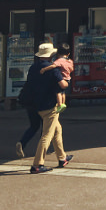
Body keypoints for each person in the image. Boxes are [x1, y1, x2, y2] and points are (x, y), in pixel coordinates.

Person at [26, 42, 74, 174]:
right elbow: (63, 85)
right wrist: (67, 80)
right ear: (50, 55)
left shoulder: (33, 68)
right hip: (50, 105)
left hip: (36, 104)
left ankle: (62, 157)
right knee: (46, 135)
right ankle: (37, 164)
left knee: (57, 129)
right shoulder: (53, 69)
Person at [40, 43, 73, 112]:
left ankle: (60, 104)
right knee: (63, 92)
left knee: (58, 92)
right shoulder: (70, 61)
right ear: (68, 54)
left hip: (62, 79)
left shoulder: (59, 61)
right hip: (68, 79)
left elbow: (53, 66)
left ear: (58, 54)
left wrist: (44, 69)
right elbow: (72, 69)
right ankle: (63, 104)